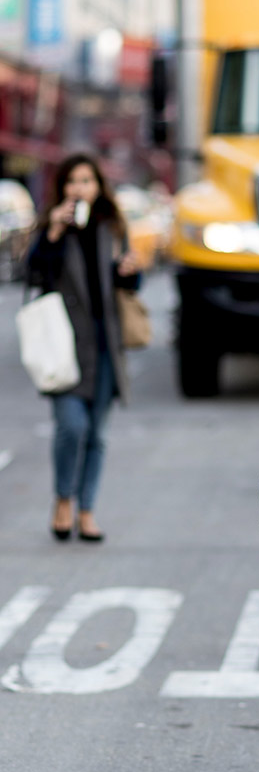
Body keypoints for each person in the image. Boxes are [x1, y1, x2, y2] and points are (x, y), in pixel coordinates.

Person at [27, 153, 140, 542]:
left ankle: (87, 510)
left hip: (106, 343)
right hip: (65, 344)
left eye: (87, 181)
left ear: (98, 187)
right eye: (72, 181)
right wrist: (54, 234)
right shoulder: (51, 228)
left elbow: (127, 287)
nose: (80, 188)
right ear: (62, 188)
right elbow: (33, 275)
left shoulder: (112, 227)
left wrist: (130, 272)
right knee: (71, 426)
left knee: (97, 434)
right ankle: (63, 499)